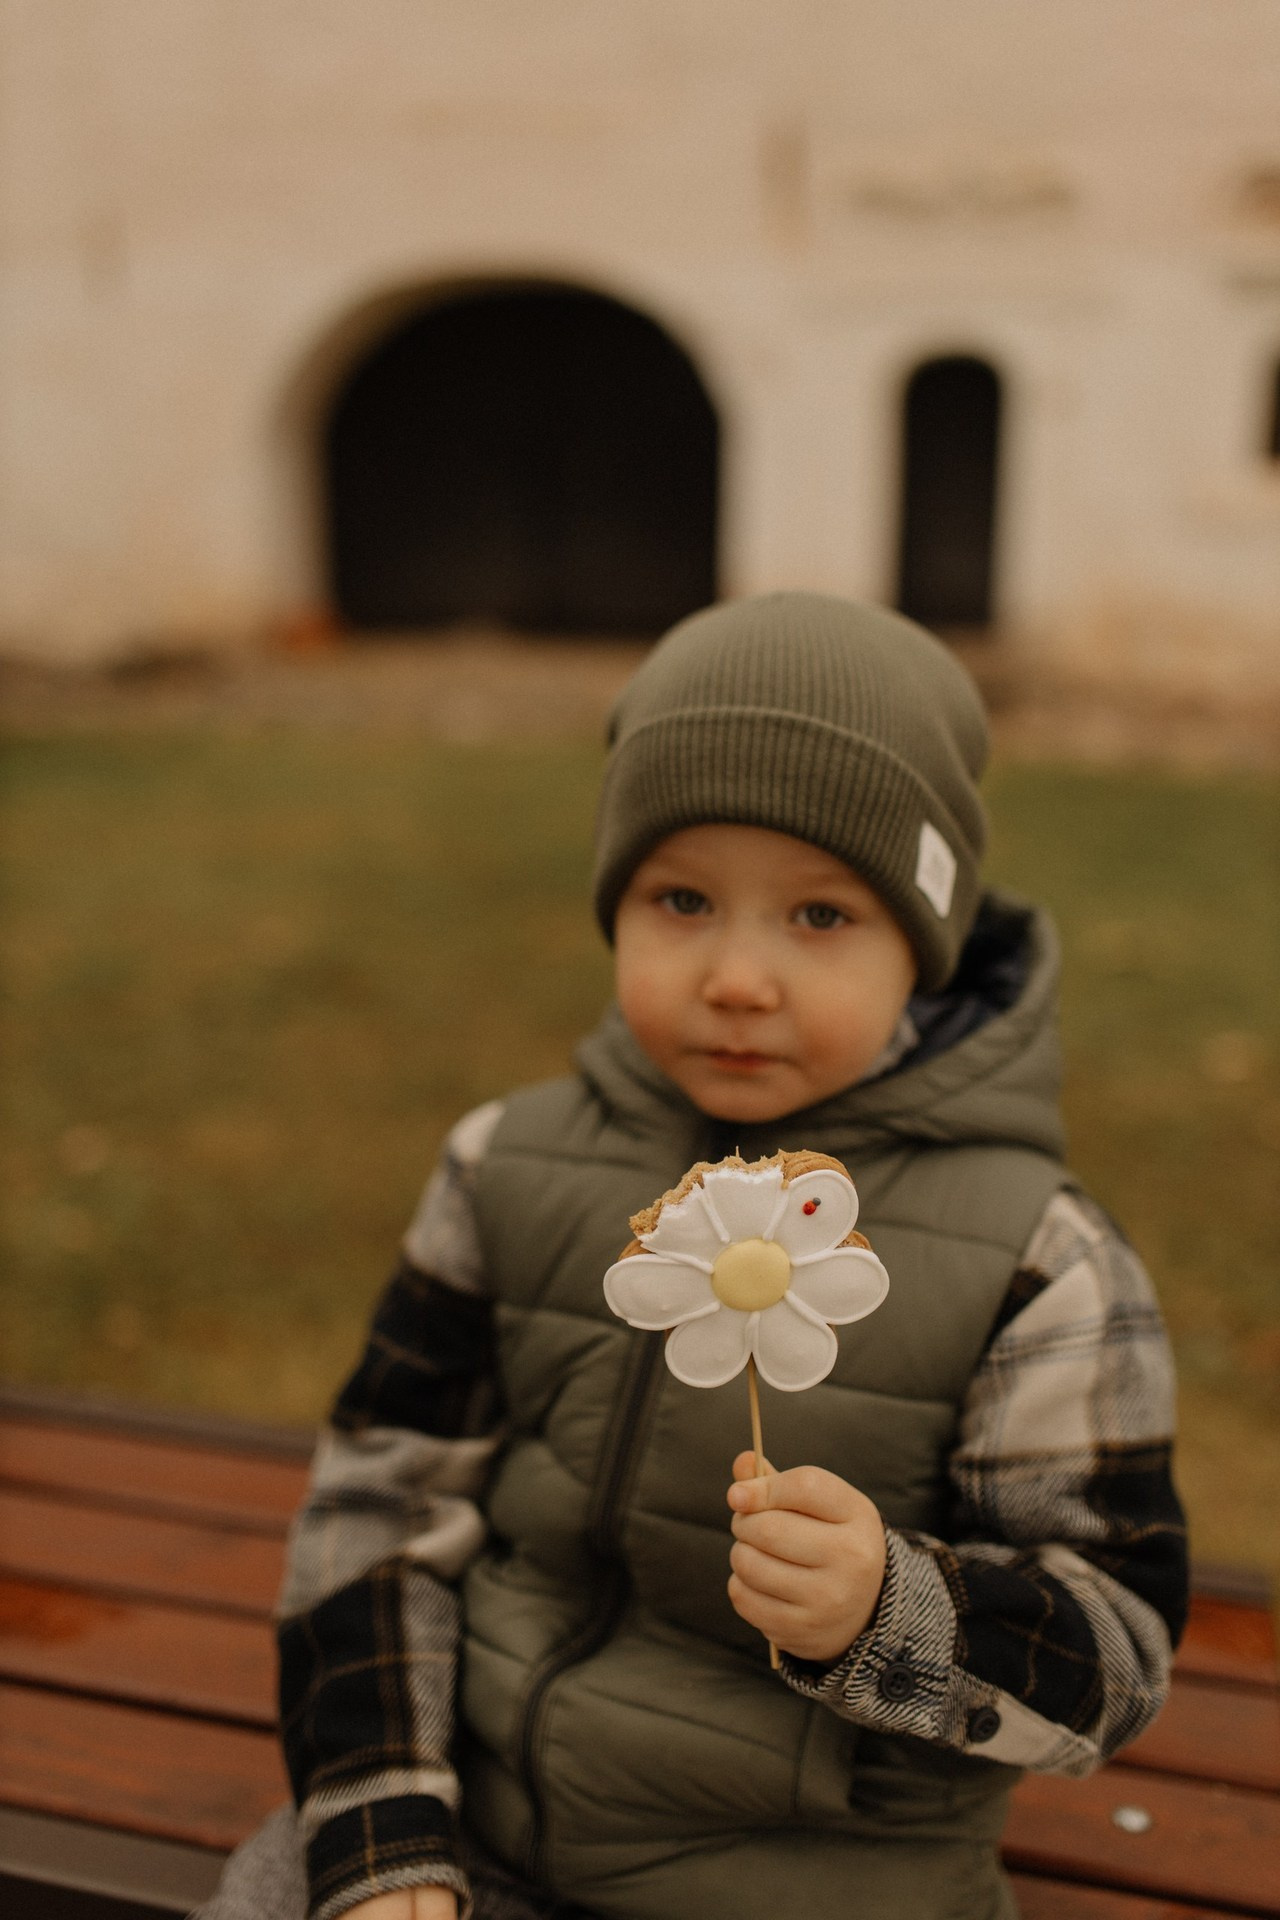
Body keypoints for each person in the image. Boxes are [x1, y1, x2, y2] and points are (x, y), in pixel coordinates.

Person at [198, 593, 1187, 1920]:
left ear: (925, 939)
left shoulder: (1037, 1259)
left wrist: (892, 1611)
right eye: (681, 898)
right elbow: (377, 1510)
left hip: (825, 1887)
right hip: (469, 1832)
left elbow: (1116, 1659)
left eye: (821, 917)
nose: (735, 975)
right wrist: (383, 1835)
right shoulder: (505, 1167)